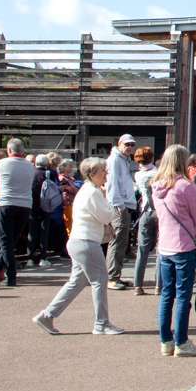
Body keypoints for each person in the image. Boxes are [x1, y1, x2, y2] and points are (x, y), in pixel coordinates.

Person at [34, 157, 124, 335]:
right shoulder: (93, 192)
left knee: (77, 282)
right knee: (99, 280)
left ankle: (47, 315)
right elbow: (107, 217)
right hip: (86, 242)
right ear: (92, 173)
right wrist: (110, 200)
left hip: (79, 241)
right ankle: (101, 324)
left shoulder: (88, 190)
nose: (106, 173)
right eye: (103, 170)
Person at [152, 144, 196, 357]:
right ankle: (182, 342)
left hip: (165, 246)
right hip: (184, 246)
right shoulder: (186, 186)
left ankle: (166, 341)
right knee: (183, 297)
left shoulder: (156, 186)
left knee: (166, 295)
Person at [0, 138, 35, 287]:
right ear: (22, 151)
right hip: (25, 205)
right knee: (12, 240)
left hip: (6, 203)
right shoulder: (30, 166)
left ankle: (11, 275)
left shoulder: (2, 163)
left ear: (9, 150)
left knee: (5, 241)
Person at [105, 134, 138, 289]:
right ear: (119, 144)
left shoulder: (124, 160)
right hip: (119, 205)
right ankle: (112, 278)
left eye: (132, 144)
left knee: (122, 242)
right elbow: (112, 184)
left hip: (124, 204)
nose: (130, 147)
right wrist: (119, 205)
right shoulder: (115, 160)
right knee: (117, 241)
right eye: (127, 144)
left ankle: (115, 275)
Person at [132, 146, 159, 296]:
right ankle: (159, 285)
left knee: (142, 250)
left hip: (145, 212)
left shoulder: (137, 175)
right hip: (159, 212)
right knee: (160, 251)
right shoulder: (157, 173)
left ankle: (138, 285)